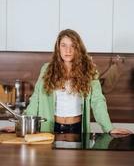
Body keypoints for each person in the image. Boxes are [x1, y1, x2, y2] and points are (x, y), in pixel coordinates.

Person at [1, 29, 132, 135]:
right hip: (51, 128)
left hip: (77, 129)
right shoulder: (47, 69)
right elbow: (36, 100)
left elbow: (98, 101)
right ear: (58, 48)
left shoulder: (89, 71)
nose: (68, 50)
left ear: (78, 48)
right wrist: (20, 125)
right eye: (63, 45)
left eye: (72, 46)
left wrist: (109, 128)